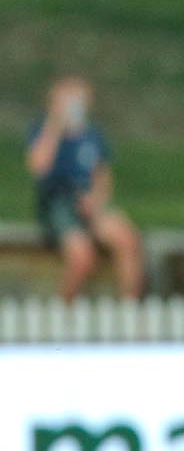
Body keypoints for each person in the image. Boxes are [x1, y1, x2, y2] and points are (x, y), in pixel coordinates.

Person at [24, 77, 145, 302]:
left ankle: (130, 307)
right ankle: (64, 309)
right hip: (57, 204)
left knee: (127, 238)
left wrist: (95, 201)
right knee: (82, 256)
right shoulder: (42, 130)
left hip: (89, 204)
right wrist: (56, 125)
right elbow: (39, 166)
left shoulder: (93, 135)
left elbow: (103, 177)